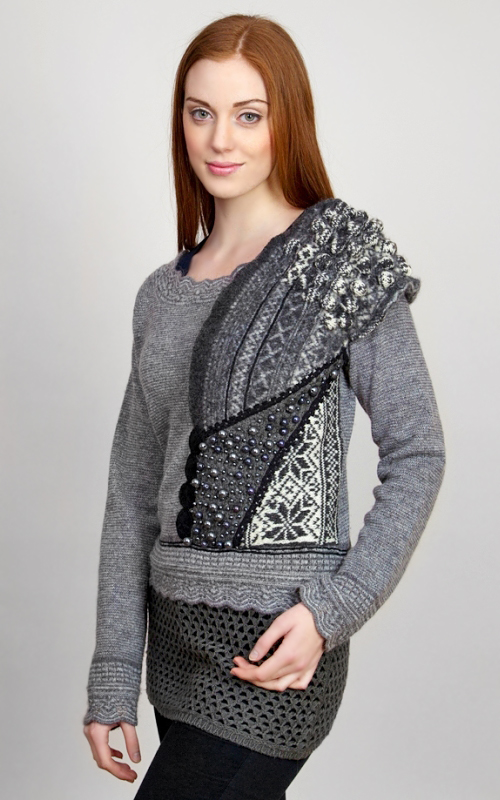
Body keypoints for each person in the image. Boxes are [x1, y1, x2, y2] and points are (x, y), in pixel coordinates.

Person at [83, 13, 446, 800]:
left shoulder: (344, 266)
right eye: (200, 112)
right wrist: (113, 672)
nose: (221, 139)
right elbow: (131, 491)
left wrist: (333, 611)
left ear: (288, 121)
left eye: (249, 115)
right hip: (172, 648)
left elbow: (418, 450)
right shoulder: (159, 295)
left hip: (279, 647)